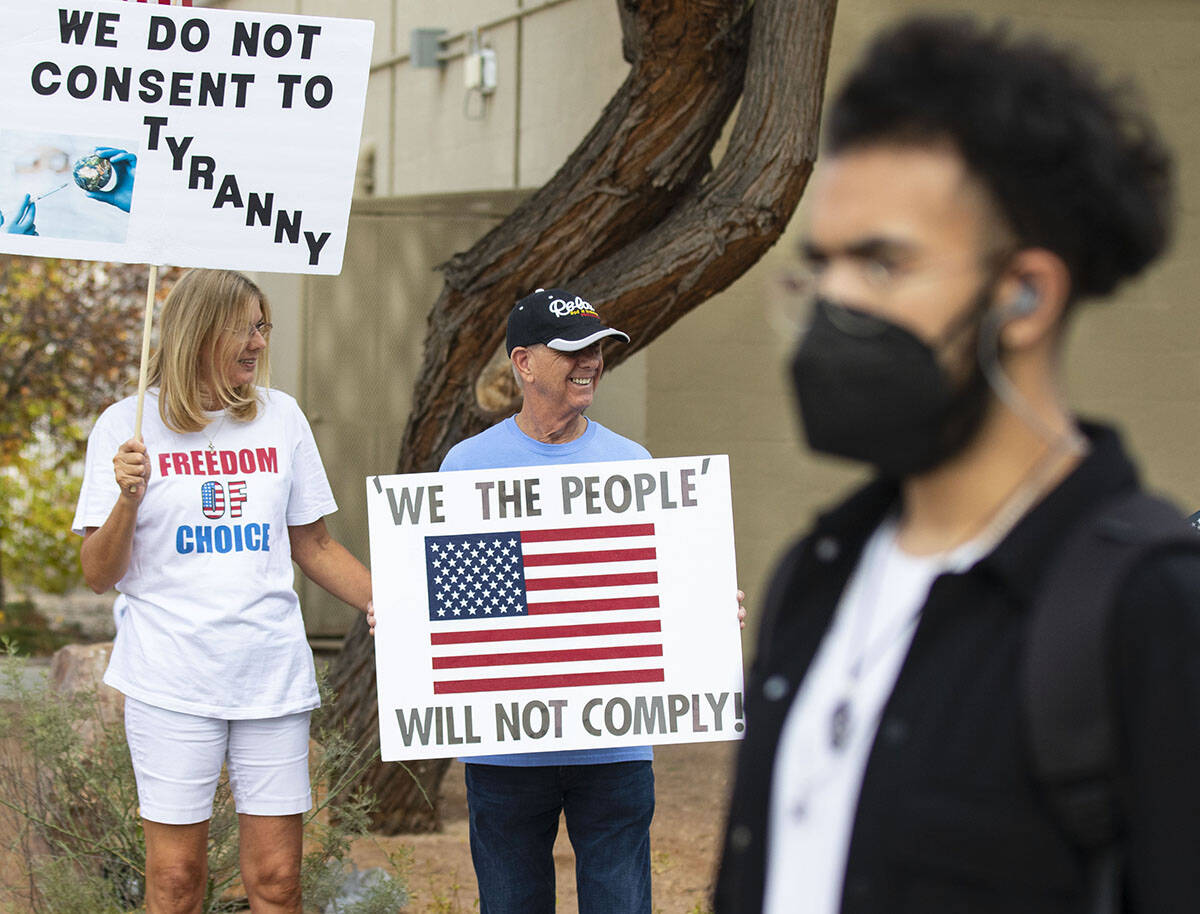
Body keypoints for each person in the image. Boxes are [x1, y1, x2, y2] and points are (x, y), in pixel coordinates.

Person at [715, 15, 1198, 914]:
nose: (837, 302)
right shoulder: (814, 578)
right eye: (823, 266)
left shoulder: (1152, 607)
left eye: (883, 262)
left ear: (1025, 294)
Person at [73, 268, 373, 914]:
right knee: (176, 880)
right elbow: (99, 573)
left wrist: (388, 602)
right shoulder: (124, 425)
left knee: (277, 880)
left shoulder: (281, 417)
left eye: (264, 327)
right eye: (246, 327)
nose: (260, 343)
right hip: (171, 680)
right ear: (198, 330)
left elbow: (314, 545)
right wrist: (128, 497)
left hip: (270, 677)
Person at [440, 288, 743, 914]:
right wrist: (409, 615)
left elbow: (649, 590)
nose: (592, 362)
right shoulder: (465, 469)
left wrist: (702, 608)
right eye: (573, 349)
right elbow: (458, 604)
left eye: (599, 349)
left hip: (614, 746)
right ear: (523, 362)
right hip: (505, 748)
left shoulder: (632, 464)